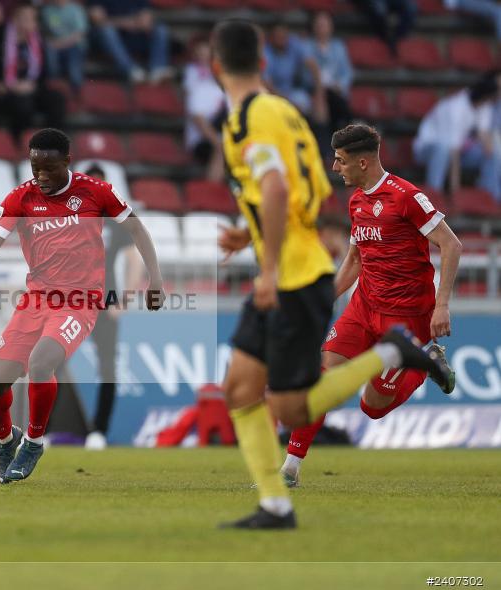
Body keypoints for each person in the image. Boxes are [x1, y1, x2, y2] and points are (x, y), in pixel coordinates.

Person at [210, 20, 451, 529]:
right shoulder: (289, 115)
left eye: (345, 160)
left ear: (215, 68)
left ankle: (397, 353)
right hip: (340, 288)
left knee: (314, 403)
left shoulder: (247, 119)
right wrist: (251, 235)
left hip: (297, 276)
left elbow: (276, 191)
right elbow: (306, 195)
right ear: (265, 63)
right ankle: (282, 489)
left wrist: (267, 264)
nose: (339, 166)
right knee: (245, 389)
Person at [0, 128, 166, 483]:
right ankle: (7, 443)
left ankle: (34, 443)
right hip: (35, 300)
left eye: (49, 168)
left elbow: (137, 230)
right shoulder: (20, 197)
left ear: (67, 161)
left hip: (80, 301)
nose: (41, 176)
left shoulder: (96, 192)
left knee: (42, 362)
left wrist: (155, 279)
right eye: (35, 166)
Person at [280, 123, 462, 486]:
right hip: (364, 307)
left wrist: (442, 306)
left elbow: (452, 245)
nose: (335, 168)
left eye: (340, 161)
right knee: (323, 376)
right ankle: (289, 468)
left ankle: (423, 361)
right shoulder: (356, 201)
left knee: (372, 407)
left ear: (363, 163)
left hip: (406, 317)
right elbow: (354, 263)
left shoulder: (406, 196)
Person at [81, 164, 142, 450]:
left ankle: (99, 431)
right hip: (70, 301)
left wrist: (125, 299)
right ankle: (39, 430)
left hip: (104, 304)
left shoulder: (116, 220)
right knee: (48, 362)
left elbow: (135, 260)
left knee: (107, 367)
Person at [0, 2, 66, 142]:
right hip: (2, 89)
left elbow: (42, 74)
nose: (28, 23)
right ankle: (19, 145)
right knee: (22, 106)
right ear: (14, 19)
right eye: (24, 18)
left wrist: (32, 85)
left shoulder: (38, 40)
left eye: (32, 19)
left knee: (56, 99)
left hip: (29, 88)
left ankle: (52, 143)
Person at [413, 72, 500, 201]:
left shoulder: (483, 105)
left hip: (457, 151)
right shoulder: (455, 107)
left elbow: (485, 139)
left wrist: (493, 152)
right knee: (442, 149)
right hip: (427, 150)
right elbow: (454, 153)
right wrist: (456, 190)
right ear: (488, 96)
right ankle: (433, 195)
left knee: (492, 154)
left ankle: (491, 197)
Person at [86, 0, 173, 83]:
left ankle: (158, 69)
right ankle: (131, 70)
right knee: (107, 31)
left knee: (160, 29)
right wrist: (125, 23)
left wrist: (138, 23)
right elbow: (98, 20)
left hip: (134, 34)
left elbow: (146, 18)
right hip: (107, 41)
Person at [183, 36, 227, 180]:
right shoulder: (199, 89)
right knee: (222, 148)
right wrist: (218, 143)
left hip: (222, 134)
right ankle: (211, 192)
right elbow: (199, 120)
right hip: (202, 140)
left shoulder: (224, 91)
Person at [306, 12, 353, 138]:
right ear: (314, 27)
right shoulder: (306, 47)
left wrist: (340, 85)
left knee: (338, 104)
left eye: (325, 25)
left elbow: (347, 72)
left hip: (335, 91)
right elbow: (304, 74)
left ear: (331, 27)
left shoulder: (339, 47)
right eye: (319, 25)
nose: (322, 28)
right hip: (315, 91)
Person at [264, 20, 321, 118]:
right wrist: (288, 102)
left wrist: (319, 95)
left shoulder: (293, 44)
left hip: (292, 91)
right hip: (273, 96)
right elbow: (267, 85)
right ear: (271, 38)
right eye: (277, 37)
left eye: (283, 36)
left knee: (305, 101)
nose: (281, 39)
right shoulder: (266, 53)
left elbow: (313, 65)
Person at [41, 0, 89, 95]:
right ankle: (55, 88)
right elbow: (44, 31)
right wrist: (49, 42)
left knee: (74, 70)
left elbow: (80, 33)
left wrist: (61, 43)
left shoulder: (76, 9)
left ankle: (77, 93)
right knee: (50, 53)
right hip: (55, 43)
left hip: (74, 44)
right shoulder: (47, 10)